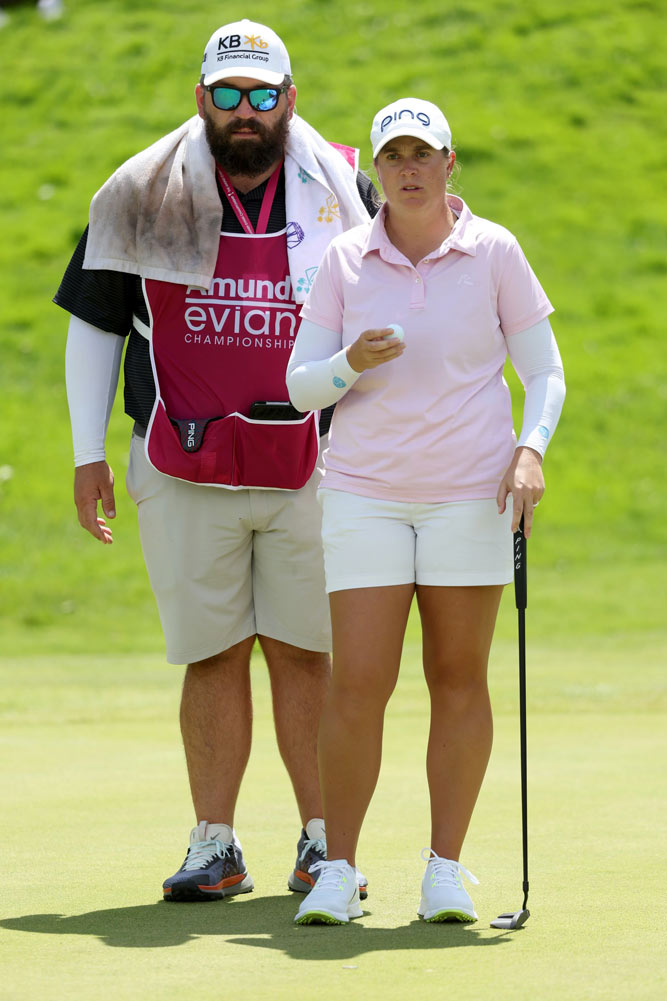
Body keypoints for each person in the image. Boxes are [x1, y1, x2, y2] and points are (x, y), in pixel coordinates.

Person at [55, 19, 379, 903]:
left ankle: (323, 845)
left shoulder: (344, 185)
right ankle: (215, 844)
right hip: (182, 457)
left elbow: (387, 318)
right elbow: (97, 320)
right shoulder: (141, 189)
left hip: (312, 458)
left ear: (289, 99)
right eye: (228, 94)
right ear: (202, 96)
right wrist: (89, 456)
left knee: (306, 653)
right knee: (212, 652)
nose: (245, 112)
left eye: (262, 95)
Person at [286, 97, 566, 925]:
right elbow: (302, 386)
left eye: (423, 153)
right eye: (392, 156)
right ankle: (338, 869)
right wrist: (348, 362)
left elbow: (543, 372)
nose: (407, 168)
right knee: (358, 683)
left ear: (450, 164)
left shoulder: (493, 252)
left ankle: (444, 867)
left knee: (457, 677)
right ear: (375, 171)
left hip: (468, 494)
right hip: (365, 493)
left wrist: (530, 447)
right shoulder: (344, 258)